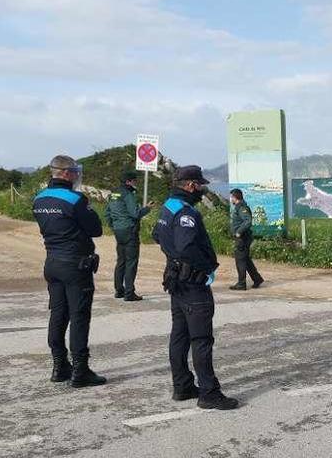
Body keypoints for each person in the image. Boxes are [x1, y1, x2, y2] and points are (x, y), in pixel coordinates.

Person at [152, 165, 239, 410]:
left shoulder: (167, 207)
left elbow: (157, 235)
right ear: (190, 185)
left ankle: (182, 386)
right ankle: (209, 393)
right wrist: (208, 265)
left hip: (175, 279)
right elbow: (186, 246)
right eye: (200, 185)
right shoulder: (186, 212)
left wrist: (174, 259)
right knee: (201, 338)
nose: (201, 190)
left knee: (179, 335)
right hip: (192, 283)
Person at [32, 155, 106, 387]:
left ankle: (59, 366)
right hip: (75, 264)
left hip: (52, 262)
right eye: (74, 171)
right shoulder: (75, 199)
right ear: (65, 173)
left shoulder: (39, 199)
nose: (76, 175)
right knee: (79, 316)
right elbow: (95, 229)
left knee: (58, 314)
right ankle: (80, 370)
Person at [106, 170, 153, 302]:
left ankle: (119, 290)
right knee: (131, 262)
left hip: (118, 230)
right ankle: (129, 293)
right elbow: (135, 213)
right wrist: (147, 208)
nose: (136, 182)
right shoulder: (128, 194)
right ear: (128, 181)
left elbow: (107, 213)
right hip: (129, 230)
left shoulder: (113, 194)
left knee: (121, 261)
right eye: (134, 180)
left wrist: (114, 226)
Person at [229, 189, 264, 291]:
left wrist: (239, 232)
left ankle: (241, 283)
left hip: (242, 238)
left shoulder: (242, 207)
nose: (231, 199)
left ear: (235, 197)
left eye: (231, 197)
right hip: (242, 238)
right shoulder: (239, 207)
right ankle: (257, 279)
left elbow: (248, 221)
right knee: (245, 259)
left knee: (240, 260)